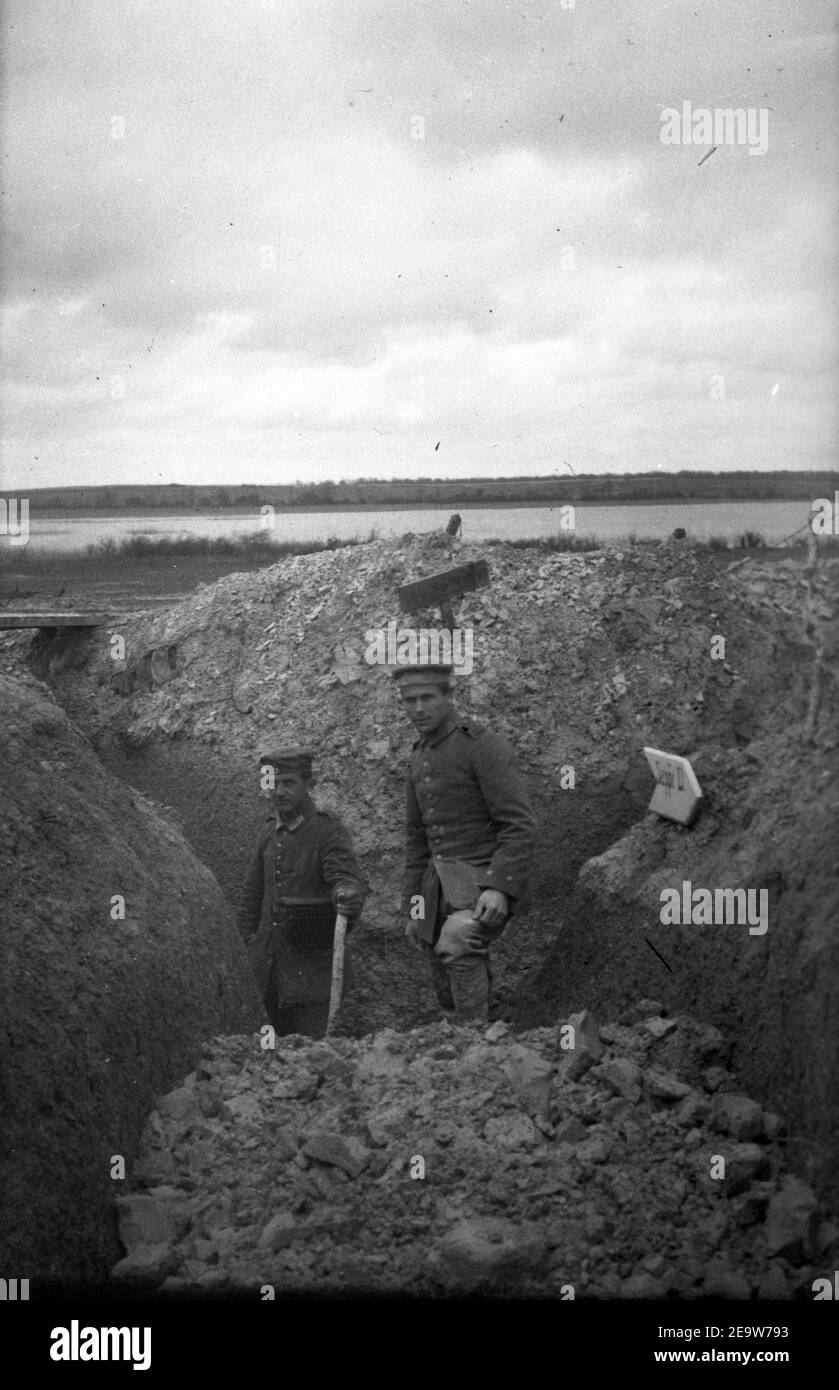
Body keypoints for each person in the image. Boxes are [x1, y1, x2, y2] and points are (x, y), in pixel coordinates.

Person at [395, 663, 536, 1024]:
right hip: (437, 888)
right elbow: (417, 841)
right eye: (410, 700)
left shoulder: (481, 746)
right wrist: (415, 906)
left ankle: (473, 1044)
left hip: (482, 883)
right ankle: (480, 1040)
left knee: (457, 940)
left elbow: (518, 825)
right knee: (444, 979)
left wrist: (499, 889)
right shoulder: (419, 756)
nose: (419, 708)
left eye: (428, 697)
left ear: (448, 696)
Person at [236, 747, 366, 1037]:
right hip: (268, 971)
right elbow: (251, 897)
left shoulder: (327, 831)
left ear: (309, 784)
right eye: (273, 782)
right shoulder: (268, 832)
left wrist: (346, 893)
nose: (279, 791)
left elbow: (345, 879)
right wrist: (246, 950)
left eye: (289, 782)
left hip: (312, 973)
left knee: (312, 1054)